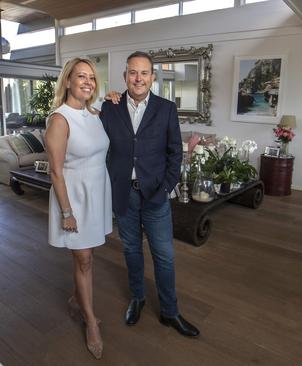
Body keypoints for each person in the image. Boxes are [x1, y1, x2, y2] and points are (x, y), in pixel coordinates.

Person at [100, 51, 200, 338]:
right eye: (133, 72)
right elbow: (95, 139)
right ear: (125, 76)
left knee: (164, 256)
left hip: (155, 195)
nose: (138, 78)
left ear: (153, 77)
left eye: (144, 73)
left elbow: (175, 154)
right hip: (123, 195)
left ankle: (170, 312)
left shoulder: (166, 109)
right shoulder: (110, 108)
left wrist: (166, 188)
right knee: (131, 250)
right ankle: (138, 298)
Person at [45, 57, 112, 359]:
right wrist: (67, 212)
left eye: (92, 78)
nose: (87, 82)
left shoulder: (95, 114)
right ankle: (90, 321)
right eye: (80, 77)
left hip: (97, 191)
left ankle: (76, 299)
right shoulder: (60, 120)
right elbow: (55, 171)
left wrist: (115, 98)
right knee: (83, 258)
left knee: (88, 255)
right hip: (74, 196)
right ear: (68, 81)